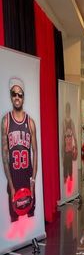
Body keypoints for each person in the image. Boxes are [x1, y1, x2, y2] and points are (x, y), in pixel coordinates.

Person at [1, 78, 37, 222]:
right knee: (14, 217)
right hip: (14, 178)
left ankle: (32, 237)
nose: (17, 97)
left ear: (23, 97)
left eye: (20, 94)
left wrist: (33, 181)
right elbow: (4, 157)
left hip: (27, 176)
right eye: (14, 94)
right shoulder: (5, 121)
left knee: (30, 216)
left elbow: (36, 153)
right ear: (10, 96)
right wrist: (10, 184)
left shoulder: (31, 122)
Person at [62, 102, 78, 183]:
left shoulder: (71, 121)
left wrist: (76, 146)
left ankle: (70, 176)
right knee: (65, 161)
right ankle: (66, 176)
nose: (68, 110)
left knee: (69, 161)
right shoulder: (64, 121)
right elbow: (63, 133)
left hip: (70, 144)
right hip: (65, 144)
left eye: (68, 109)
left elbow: (74, 134)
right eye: (67, 109)